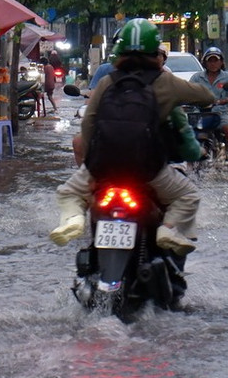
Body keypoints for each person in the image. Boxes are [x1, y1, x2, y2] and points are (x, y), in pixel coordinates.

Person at [51, 18, 214, 255]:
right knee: (187, 195)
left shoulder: (108, 81)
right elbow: (206, 97)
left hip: (103, 166)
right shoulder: (167, 82)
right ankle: (168, 229)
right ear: (156, 52)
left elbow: (88, 123)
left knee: (69, 193)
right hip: (148, 168)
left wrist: (91, 164)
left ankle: (73, 219)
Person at [190, 46, 228, 168]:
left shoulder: (227, 77)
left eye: (216, 60)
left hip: (219, 113)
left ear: (221, 62)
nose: (213, 63)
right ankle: (189, 161)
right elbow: (188, 90)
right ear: (205, 62)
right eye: (210, 61)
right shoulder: (197, 77)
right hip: (199, 112)